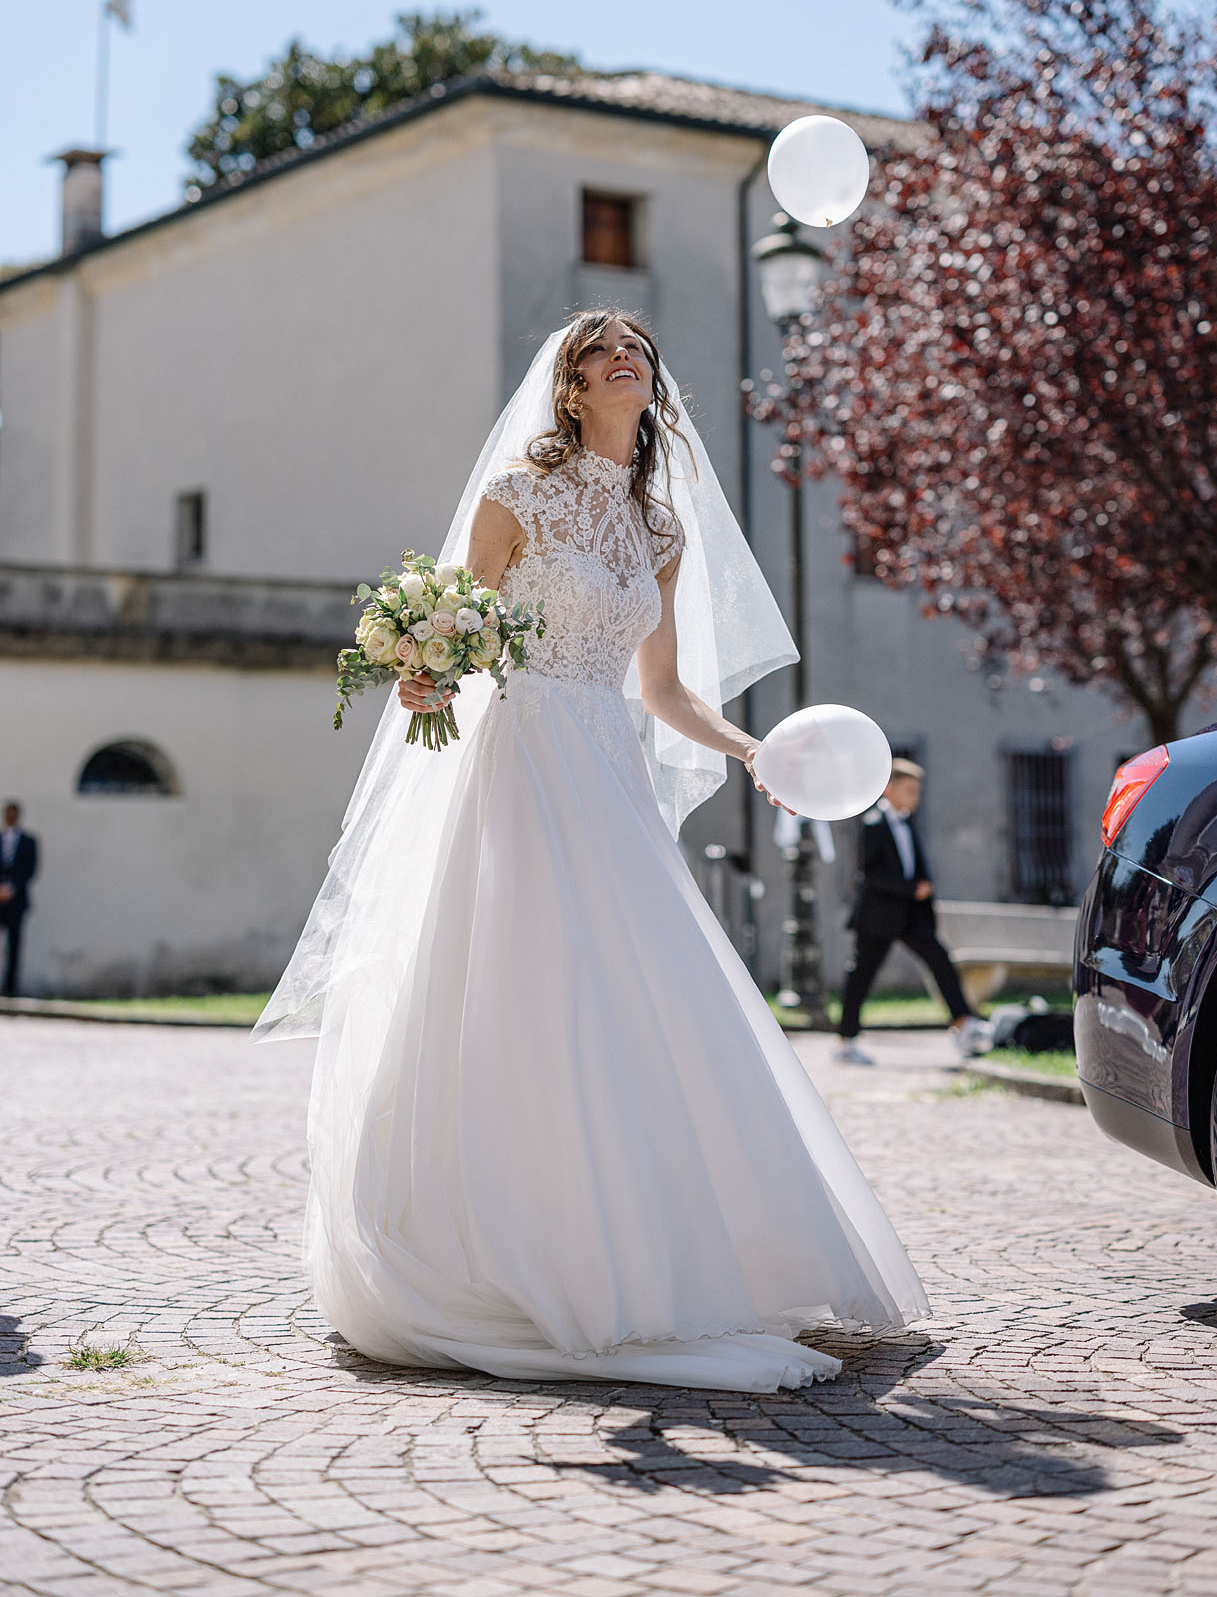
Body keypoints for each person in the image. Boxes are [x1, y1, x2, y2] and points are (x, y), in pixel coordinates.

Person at [256, 311, 928, 1392]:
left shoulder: (657, 528)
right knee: (513, 984)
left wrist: (747, 744)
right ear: (569, 389)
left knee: (630, 996)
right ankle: (498, 1254)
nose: (625, 355)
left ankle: (660, 1252)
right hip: (517, 761)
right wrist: (423, 669)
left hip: (606, 770)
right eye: (599, 349)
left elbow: (660, 691)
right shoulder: (516, 498)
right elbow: (459, 634)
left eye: (638, 348)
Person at [837, 760, 991, 1065]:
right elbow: (869, 876)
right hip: (878, 916)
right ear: (888, 789)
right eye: (909, 791)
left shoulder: (907, 822)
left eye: (917, 792)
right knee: (862, 976)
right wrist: (912, 888)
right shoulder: (873, 824)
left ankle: (963, 1023)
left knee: (940, 959)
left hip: (909, 915)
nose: (915, 798)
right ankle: (845, 1041)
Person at [0, 801, 40, 999]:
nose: (10, 817)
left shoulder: (29, 841)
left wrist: (11, 888)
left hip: (17, 901)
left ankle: (10, 989)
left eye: (13, 814)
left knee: (14, 945)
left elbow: (31, 870)